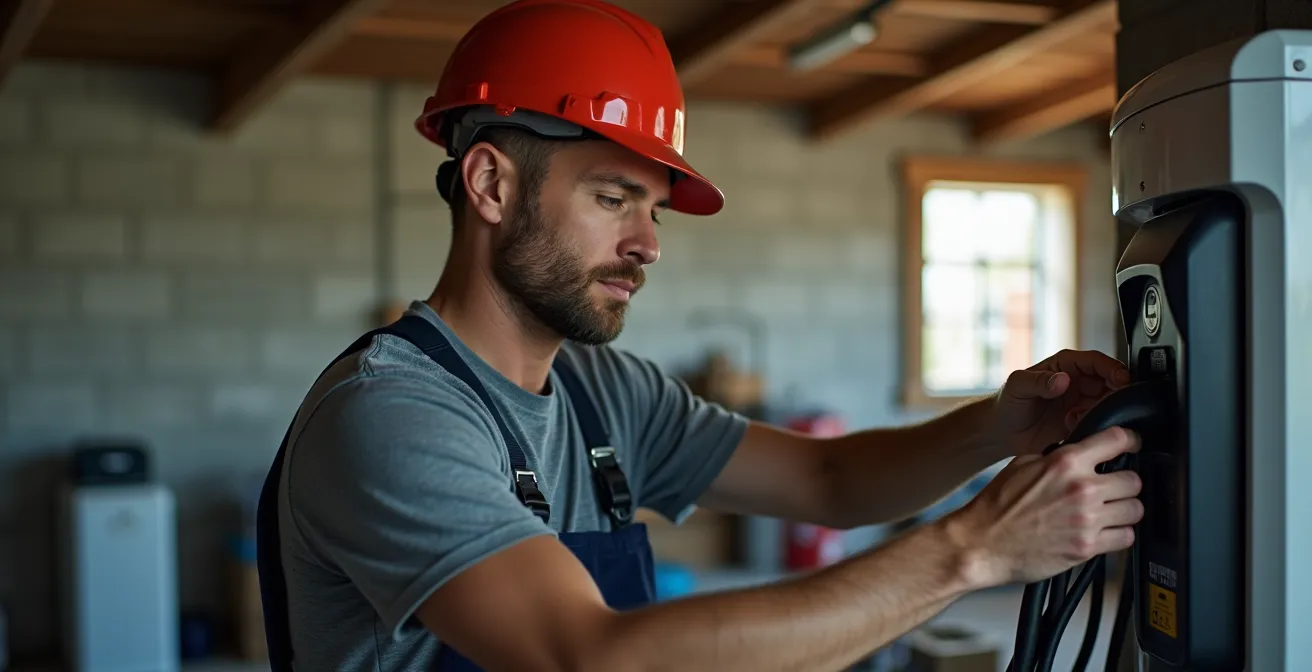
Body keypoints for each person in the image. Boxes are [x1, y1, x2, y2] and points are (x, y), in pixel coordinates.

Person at [254, 1, 1144, 670]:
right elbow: (586, 656)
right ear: (490, 185)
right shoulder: (393, 416)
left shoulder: (604, 394)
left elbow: (829, 479)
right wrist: (972, 549)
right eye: (612, 198)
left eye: (651, 209)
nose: (646, 244)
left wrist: (994, 430)